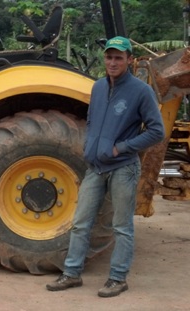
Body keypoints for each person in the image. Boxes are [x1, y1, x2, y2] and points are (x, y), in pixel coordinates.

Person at [46, 36, 165, 297]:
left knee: (121, 226)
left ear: (129, 60)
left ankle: (118, 278)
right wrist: (91, 146)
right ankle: (72, 273)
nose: (113, 62)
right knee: (80, 223)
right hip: (95, 167)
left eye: (119, 57)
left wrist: (121, 148)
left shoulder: (141, 91)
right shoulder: (98, 87)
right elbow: (92, 119)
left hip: (123, 167)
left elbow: (157, 131)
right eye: (109, 57)